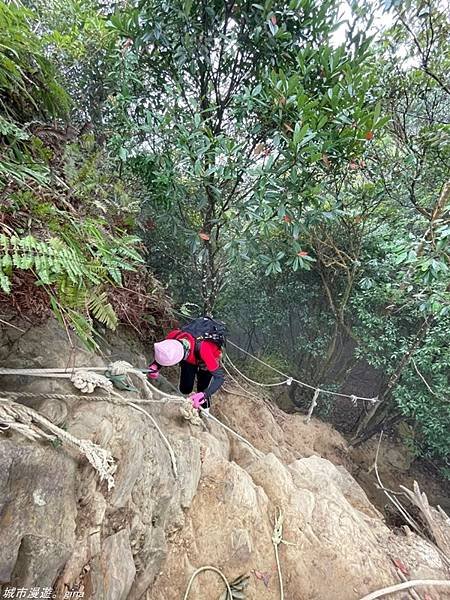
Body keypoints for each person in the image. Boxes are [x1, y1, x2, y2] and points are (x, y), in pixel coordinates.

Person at [147, 318, 226, 412]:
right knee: (185, 388)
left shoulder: (205, 350)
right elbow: (164, 352)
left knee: (203, 386)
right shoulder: (174, 336)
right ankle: (187, 399)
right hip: (189, 359)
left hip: (207, 360)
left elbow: (220, 378)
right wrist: (156, 365)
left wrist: (204, 395)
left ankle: (205, 411)